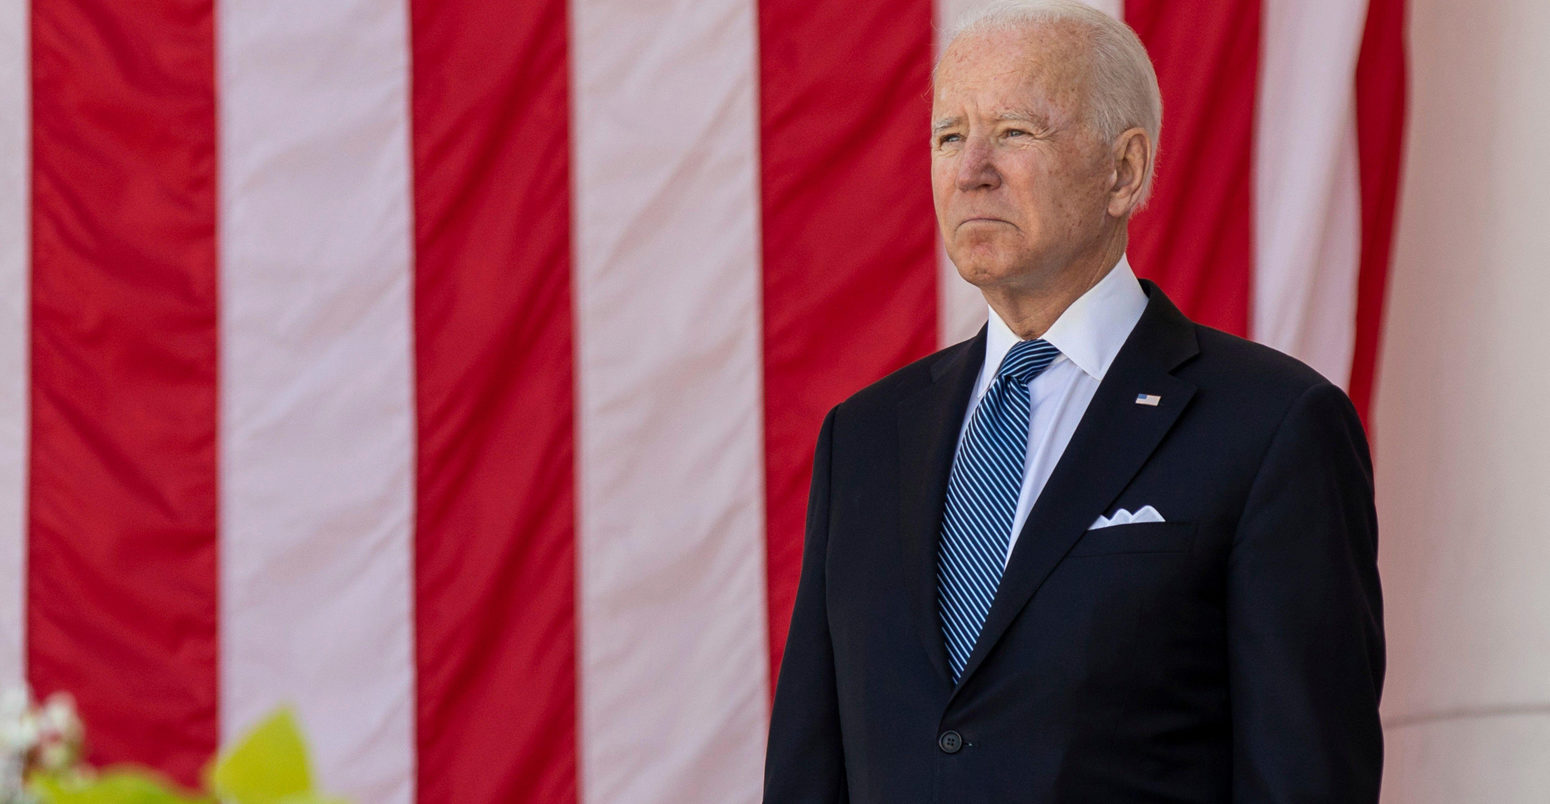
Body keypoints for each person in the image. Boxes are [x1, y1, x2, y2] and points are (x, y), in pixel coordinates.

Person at [762, 1, 1385, 801]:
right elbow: (812, 770)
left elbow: (1305, 780)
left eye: (1015, 132)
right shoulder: (865, 438)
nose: (971, 168)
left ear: (1123, 171)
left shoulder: (1273, 427)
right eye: (950, 135)